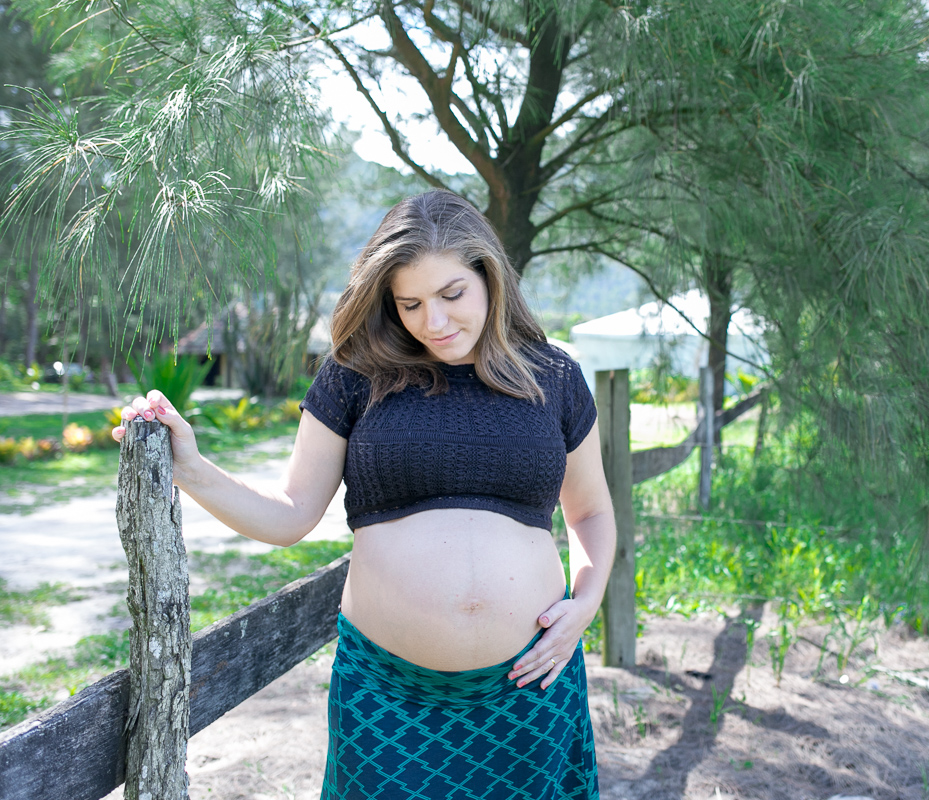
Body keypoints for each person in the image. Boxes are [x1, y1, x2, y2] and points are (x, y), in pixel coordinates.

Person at [113, 189, 616, 799]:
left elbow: (589, 511)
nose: (433, 321)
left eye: (452, 294)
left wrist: (586, 603)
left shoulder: (553, 376)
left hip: (531, 684)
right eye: (410, 303)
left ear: (490, 276)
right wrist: (191, 469)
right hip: (387, 696)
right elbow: (290, 513)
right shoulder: (355, 374)